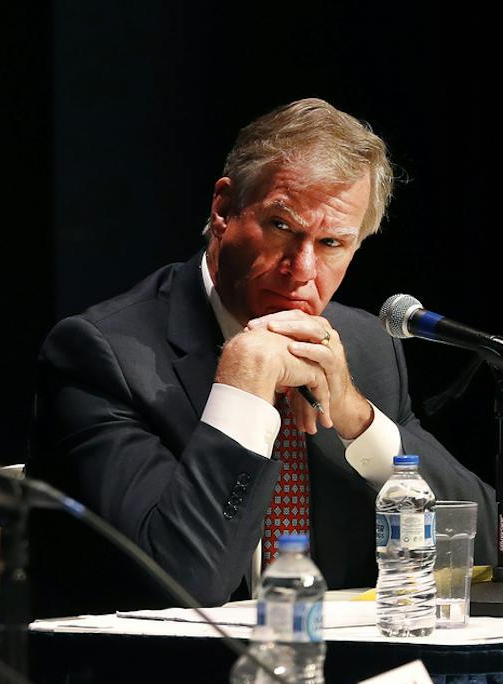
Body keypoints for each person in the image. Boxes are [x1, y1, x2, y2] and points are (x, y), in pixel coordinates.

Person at [31, 97, 497, 616]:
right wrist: (244, 389)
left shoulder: (363, 348)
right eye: (282, 228)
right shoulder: (103, 354)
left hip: (333, 678)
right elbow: (184, 580)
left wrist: (358, 418)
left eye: (331, 242)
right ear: (224, 209)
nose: (301, 269)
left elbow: (482, 547)